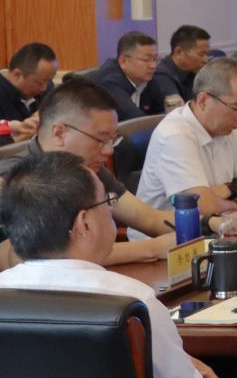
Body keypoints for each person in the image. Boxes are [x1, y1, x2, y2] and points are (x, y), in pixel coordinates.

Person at [0, 151, 219, 378]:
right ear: (85, 224)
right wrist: (189, 373)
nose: (112, 211)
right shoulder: (132, 300)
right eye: (107, 202)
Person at [0, 80, 177, 268]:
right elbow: (36, 257)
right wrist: (152, 248)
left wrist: (198, 224)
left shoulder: (88, 169)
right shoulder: (13, 181)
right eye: (100, 139)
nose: (109, 150)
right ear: (59, 133)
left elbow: (149, 218)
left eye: (113, 139)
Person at [136, 57, 237, 215]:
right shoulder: (174, 135)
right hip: (169, 229)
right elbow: (203, 207)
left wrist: (229, 190)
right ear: (203, 101)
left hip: (215, 225)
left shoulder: (228, 129)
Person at [88, 30, 164, 120]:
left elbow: (161, 114)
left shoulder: (147, 78)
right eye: (146, 60)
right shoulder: (110, 81)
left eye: (155, 59)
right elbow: (134, 120)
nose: (153, 66)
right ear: (123, 61)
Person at [150, 25, 212, 109]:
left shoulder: (194, 71)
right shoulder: (162, 76)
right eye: (201, 54)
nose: (206, 60)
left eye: (207, 54)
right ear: (179, 52)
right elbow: (178, 112)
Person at [0, 41, 56, 134]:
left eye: (48, 81)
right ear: (17, 75)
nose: (44, 88)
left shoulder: (44, 82)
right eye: (39, 83)